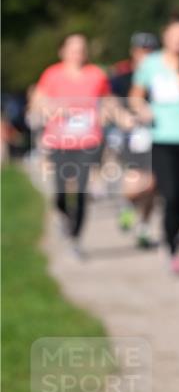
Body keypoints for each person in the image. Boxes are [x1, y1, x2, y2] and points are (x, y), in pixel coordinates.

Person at [130, 16, 179, 274]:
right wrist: (143, 108)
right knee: (170, 193)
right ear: (165, 36)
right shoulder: (150, 64)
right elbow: (135, 96)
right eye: (175, 36)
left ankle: (173, 232)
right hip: (162, 137)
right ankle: (172, 244)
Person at [29, 34, 111, 257]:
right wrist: (54, 108)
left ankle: (75, 238)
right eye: (73, 49)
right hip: (59, 140)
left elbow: (108, 100)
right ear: (62, 51)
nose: (78, 53)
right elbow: (37, 102)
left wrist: (110, 114)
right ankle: (63, 214)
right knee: (62, 190)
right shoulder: (52, 74)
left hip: (89, 139)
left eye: (82, 49)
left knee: (83, 191)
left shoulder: (96, 74)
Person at [109, 32, 159, 247]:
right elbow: (110, 103)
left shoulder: (161, 75)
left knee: (153, 185)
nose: (145, 56)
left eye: (149, 51)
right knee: (134, 182)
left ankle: (144, 226)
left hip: (157, 135)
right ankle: (129, 206)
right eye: (141, 51)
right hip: (132, 138)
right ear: (134, 52)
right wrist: (123, 117)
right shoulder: (122, 77)